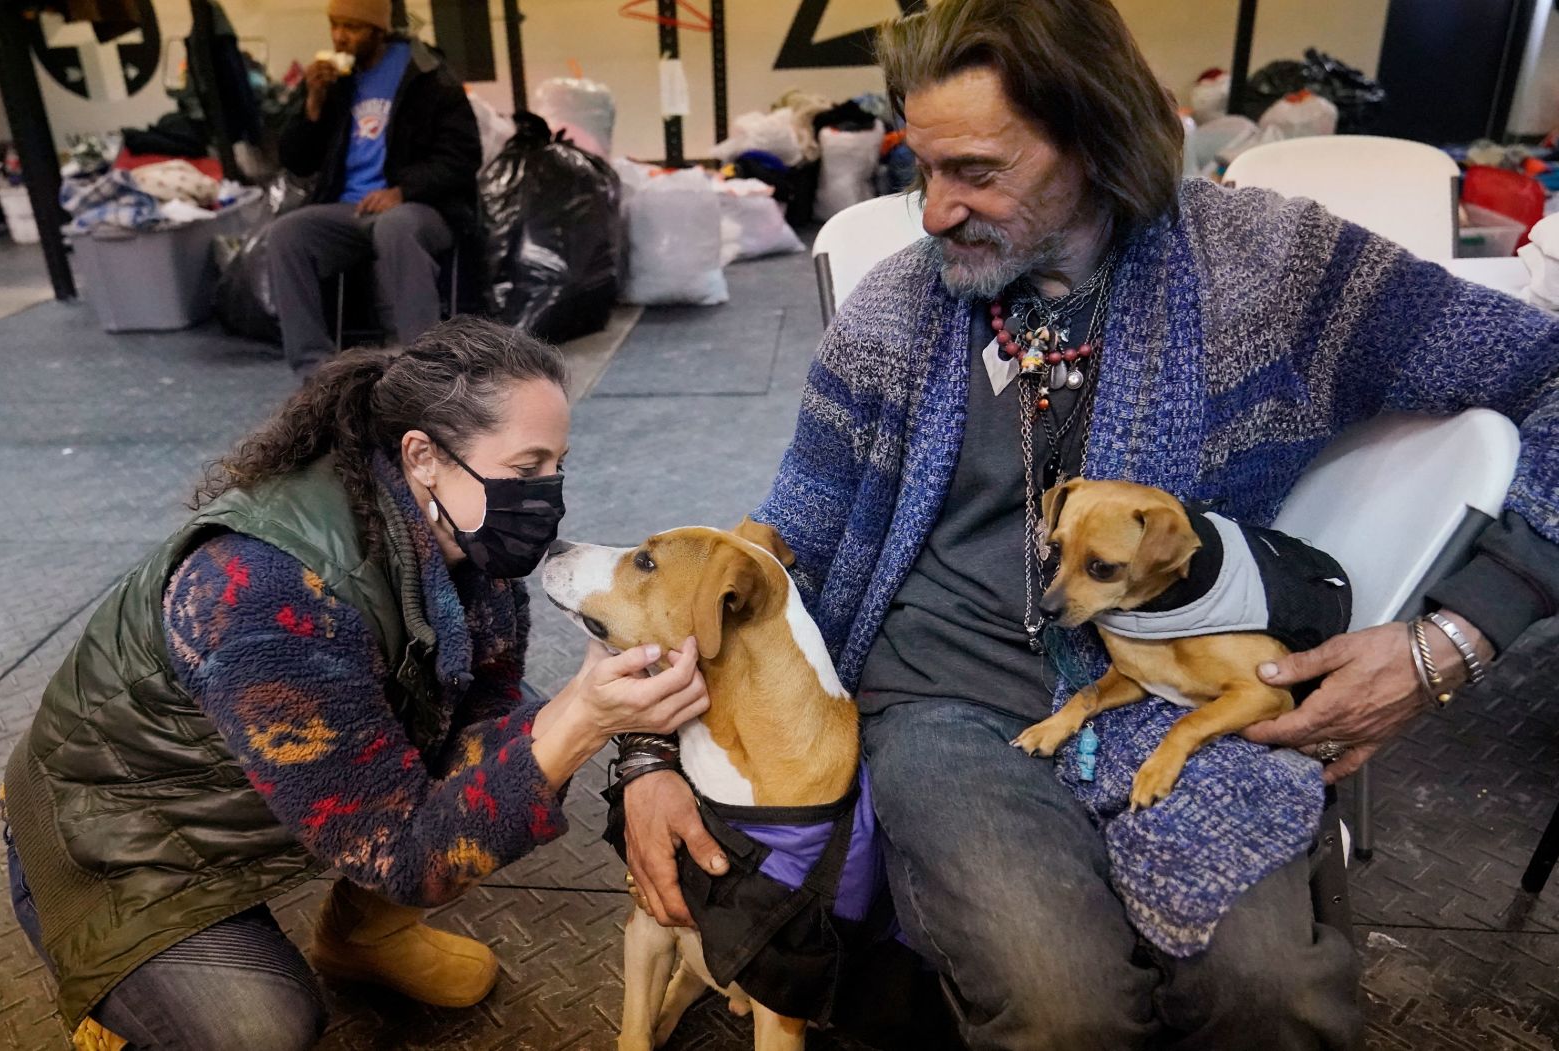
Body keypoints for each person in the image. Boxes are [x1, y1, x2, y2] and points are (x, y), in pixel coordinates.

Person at [616, 1, 1559, 1048]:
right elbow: (773, 542)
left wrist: (1452, 637)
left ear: (1098, 140)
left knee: (1268, 999)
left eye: (975, 171)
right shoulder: (893, 312)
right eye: (922, 167)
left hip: (1180, 687)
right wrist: (648, 756)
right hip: (943, 699)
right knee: (1063, 1007)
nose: (931, 212)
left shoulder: (1267, 266)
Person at [0, 317, 709, 1051]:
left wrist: (571, 730)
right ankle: (115, 1002)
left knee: (525, 752)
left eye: (559, 465)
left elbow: (488, 698)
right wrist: (582, 721)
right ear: (423, 455)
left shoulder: (465, 530)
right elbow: (402, 852)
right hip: (118, 834)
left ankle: (359, 936)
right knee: (260, 1031)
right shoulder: (266, 591)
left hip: (262, 793)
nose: (548, 496)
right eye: (527, 468)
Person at [268, 0, 482, 379]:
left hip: (421, 207)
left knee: (395, 226)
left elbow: (462, 159)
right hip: (349, 208)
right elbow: (297, 161)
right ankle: (315, 372)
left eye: (352, 28)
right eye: (334, 25)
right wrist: (312, 106)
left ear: (378, 32)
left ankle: (425, 370)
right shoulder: (335, 82)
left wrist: (402, 190)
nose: (339, 37)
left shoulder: (428, 76)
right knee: (287, 234)